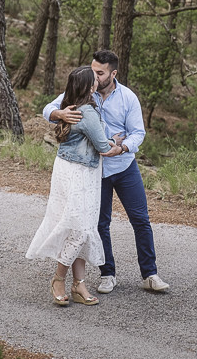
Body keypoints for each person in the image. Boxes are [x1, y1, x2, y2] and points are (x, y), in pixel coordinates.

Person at [44, 49, 170, 294]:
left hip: (124, 167)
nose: (95, 76)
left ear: (113, 74)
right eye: (93, 71)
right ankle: (107, 274)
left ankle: (150, 274)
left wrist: (122, 148)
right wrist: (59, 113)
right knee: (101, 223)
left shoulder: (128, 98)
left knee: (140, 220)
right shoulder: (84, 90)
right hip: (94, 171)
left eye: (100, 73)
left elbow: (138, 133)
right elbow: (48, 109)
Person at [26, 66, 113, 306]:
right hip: (81, 174)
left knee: (78, 227)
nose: (98, 81)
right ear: (89, 86)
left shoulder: (73, 104)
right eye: (94, 79)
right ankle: (59, 279)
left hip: (67, 169)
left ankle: (79, 284)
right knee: (81, 229)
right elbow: (103, 147)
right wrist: (116, 143)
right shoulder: (88, 112)